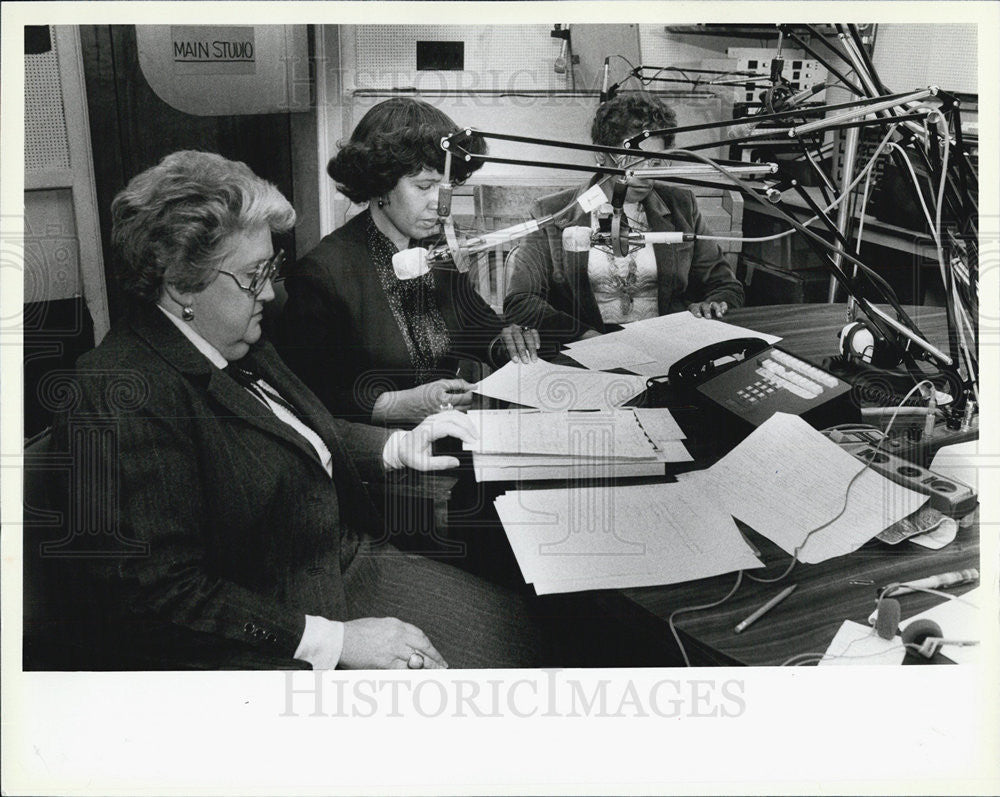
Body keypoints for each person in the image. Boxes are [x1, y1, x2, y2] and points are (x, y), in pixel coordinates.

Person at [45, 151, 539, 670]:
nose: (272, 291)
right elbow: (157, 597)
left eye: (271, 269)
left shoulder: (236, 339)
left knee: (531, 632)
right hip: (290, 625)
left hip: (345, 565)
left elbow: (297, 435)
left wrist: (396, 446)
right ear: (180, 283)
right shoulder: (116, 392)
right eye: (254, 275)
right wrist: (332, 642)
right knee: (520, 669)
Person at [277, 98, 541, 426]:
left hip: (452, 429)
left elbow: (470, 319)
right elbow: (305, 393)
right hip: (381, 453)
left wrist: (502, 339)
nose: (440, 205)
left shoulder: (439, 247)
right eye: (424, 187)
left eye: (446, 188)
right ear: (380, 184)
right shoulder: (324, 274)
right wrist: (395, 404)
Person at [504, 93, 745, 346]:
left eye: (655, 162)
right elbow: (521, 301)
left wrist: (715, 304)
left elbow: (725, 284)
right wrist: (583, 337)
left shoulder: (681, 205)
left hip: (668, 344)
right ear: (600, 155)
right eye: (634, 160)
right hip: (587, 347)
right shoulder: (552, 213)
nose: (645, 174)